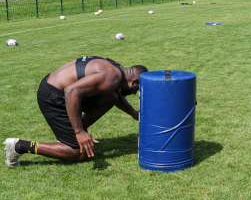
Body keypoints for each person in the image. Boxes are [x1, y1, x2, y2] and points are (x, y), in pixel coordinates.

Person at [4, 56, 148, 167]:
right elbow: (71, 91)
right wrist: (79, 132)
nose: (135, 93)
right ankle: (19, 146)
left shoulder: (116, 69)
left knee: (112, 97)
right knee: (80, 154)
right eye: (137, 89)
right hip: (53, 96)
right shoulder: (111, 78)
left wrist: (132, 112)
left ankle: (69, 136)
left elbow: (115, 94)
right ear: (134, 81)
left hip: (54, 87)